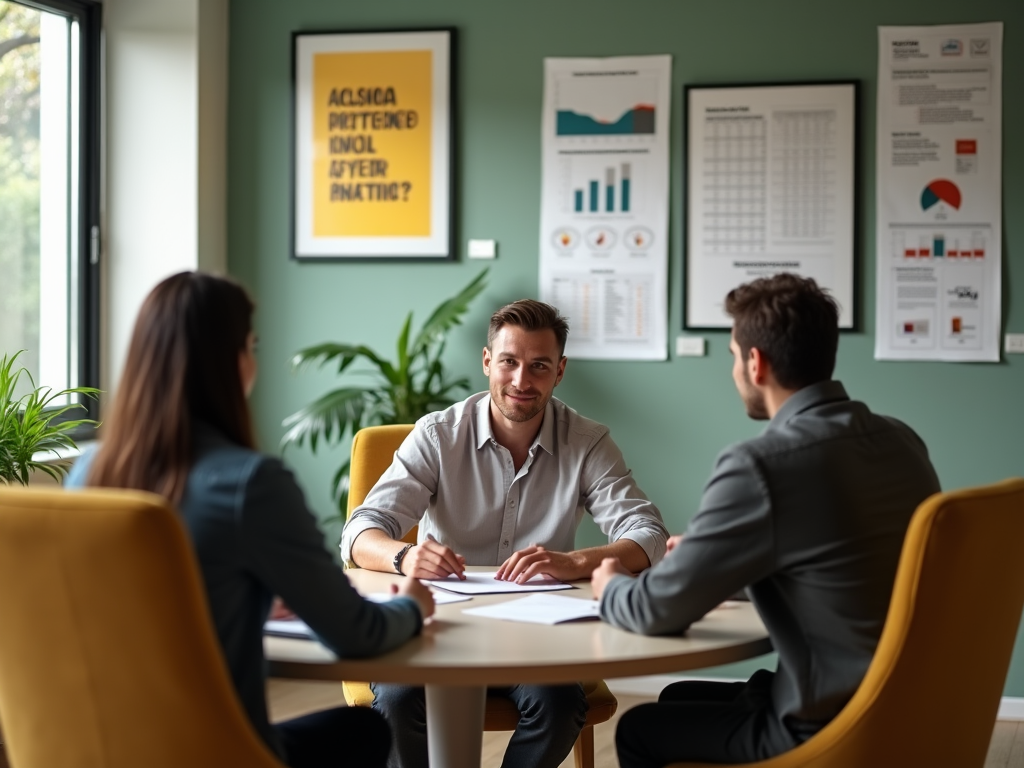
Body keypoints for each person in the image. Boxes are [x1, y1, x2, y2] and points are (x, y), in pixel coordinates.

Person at [65, 271, 435, 768]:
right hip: (216, 752)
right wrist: (411, 606)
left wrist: (246, 598)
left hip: (98, 748)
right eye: (251, 345)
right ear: (232, 361)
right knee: (363, 729)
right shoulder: (251, 483)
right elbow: (356, 635)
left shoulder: (87, 471)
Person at [592, 273, 942, 768]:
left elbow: (655, 612)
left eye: (734, 356)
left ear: (756, 363)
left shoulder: (761, 465)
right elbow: (839, 560)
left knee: (640, 730)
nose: (734, 369)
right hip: (900, 704)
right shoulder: (900, 440)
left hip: (828, 725)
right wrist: (712, 557)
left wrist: (608, 585)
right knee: (679, 698)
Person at [340, 298, 669, 768]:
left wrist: (574, 562)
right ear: (487, 361)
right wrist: (404, 558)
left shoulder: (587, 442)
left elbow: (648, 533)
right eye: (509, 362)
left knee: (558, 706)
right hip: (438, 628)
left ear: (560, 371)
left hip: (538, 633)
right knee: (395, 701)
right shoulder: (437, 435)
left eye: (538, 366)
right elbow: (360, 531)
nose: (521, 380)